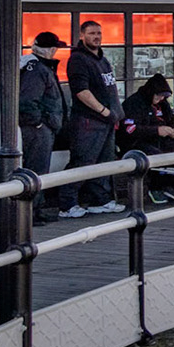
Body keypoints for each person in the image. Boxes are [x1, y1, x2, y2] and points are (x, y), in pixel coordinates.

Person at [57, 19, 125, 217]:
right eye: (92, 33)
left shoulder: (102, 59)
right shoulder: (78, 59)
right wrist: (103, 111)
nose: (96, 37)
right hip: (89, 121)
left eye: (99, 33)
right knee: (83, 161)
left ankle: (100, 200)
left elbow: (110, 89)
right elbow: (81, 92)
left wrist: (115, 115)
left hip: (108, 121)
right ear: (81, 36)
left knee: (105, 162)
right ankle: (67, 205)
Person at [17, 31, 68, 223]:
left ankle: (36, 210)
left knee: (39, 169)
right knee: (36, 170)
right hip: (38, 129)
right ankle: (29, 213)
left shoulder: (35, 67)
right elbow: (28, 100)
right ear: (51, 49)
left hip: (41, 127)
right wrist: (39, 123)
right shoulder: (38, 70)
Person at [118, 75, 174, 156]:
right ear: (150, 92)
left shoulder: (163, 104)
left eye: (163, 96)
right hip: (137, 143)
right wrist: (157, 131)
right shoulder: (133, 103)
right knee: (157, 155)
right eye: (158, 95)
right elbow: (130, 129)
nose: (161, 98)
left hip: (162, 141)